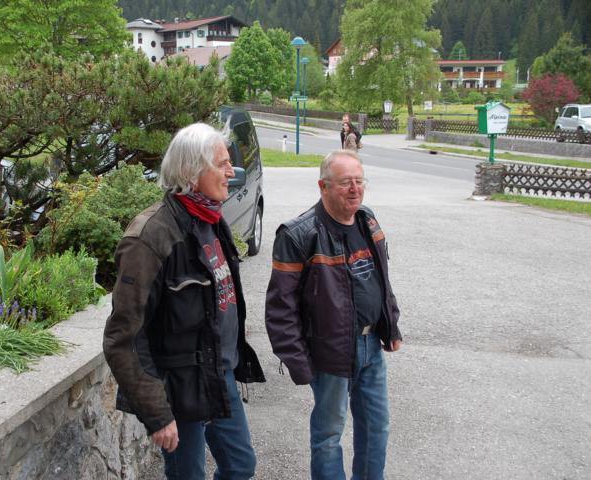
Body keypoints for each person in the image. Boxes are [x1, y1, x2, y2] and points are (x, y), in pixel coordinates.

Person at [103, 122, 265, 480]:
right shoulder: (150, 238)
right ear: (192, 173)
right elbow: (123, 337)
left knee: (241, 466)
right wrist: (157, 413)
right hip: (179, 387)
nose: (232, 171)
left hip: (218, 374)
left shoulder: (211, 219)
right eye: (222, 163)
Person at [265, 150, 402, 480]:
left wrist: (391, 325)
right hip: (330, 351)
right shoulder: (298, 235)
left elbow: (380, 280)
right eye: (345, 183)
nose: (355, 189)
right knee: (328, 435)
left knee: (377, 426)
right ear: (323, 186)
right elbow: (280, 309)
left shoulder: (367, 220)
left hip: (371, 344)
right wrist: (298, 361)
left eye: (359, 181)